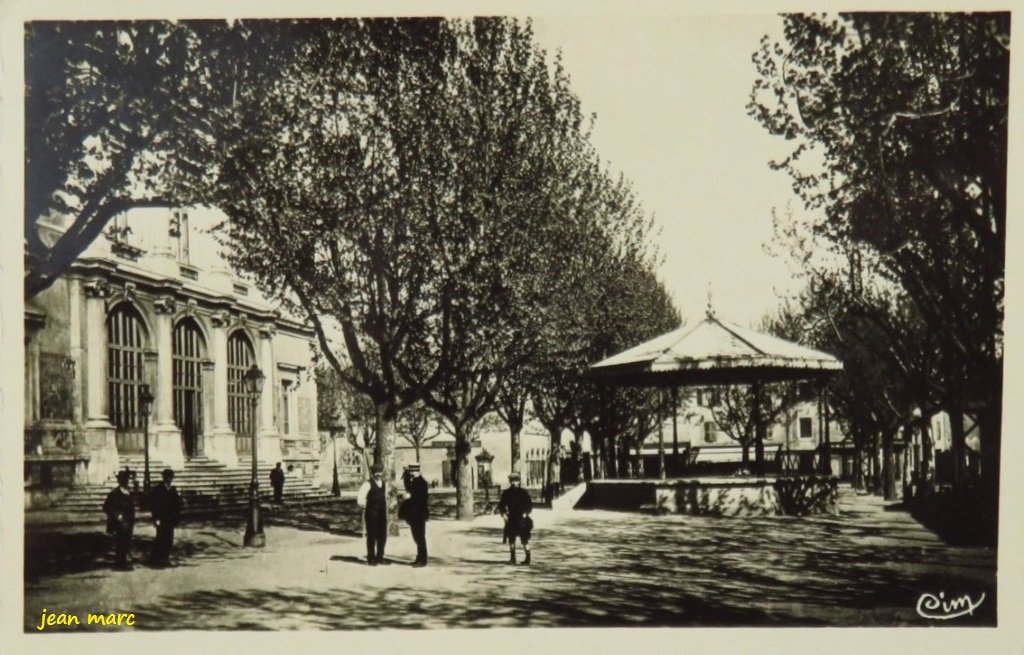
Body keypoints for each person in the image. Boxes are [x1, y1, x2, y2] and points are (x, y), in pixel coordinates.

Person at [148, 468, 183, 567]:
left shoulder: (173, 489)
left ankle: (165, 558)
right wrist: (156, 518)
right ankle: (157, 558)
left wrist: (177, 518)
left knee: (169, 539)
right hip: (161, 518)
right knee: (160, 538)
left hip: (170, 519)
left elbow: (176, 505)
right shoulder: (158, 489)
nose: (169, 479)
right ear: (164, 477)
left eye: (171, 477)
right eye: (167, 477)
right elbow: (154, 505)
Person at [497, 471, 533, 565]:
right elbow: (501, 505)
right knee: (511, 538)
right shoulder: (506, 493)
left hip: (522, 519)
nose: (514, 483)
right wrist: (503, 514)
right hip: (511, 518)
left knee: (524, 539)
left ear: (519, 481)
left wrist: (525, 513)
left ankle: (528, 558)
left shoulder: (524, 493)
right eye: (512, 481)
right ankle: (513, 558)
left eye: (516, 481)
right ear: (510, 481)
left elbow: (529, 506)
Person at [102, 470, 136, 571]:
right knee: (120, 542)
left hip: (129, 522)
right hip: (119, 522)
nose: (125, 481)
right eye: (123, 479)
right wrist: (117, 515)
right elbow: (106, 507)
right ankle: (120, 563)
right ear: (119, 480)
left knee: (127, 542)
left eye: (126, 479)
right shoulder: (115, 493)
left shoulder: (128, 492)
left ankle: (124, 562)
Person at [357, 463, 388, 565]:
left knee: (382, 535)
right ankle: (371, 558)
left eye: (380, 472)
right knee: (372, 535)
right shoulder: (367, 484)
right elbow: (360, 498)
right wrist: (366, 505)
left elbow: (385, 497)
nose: (378, 474)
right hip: (372, 513)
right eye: (376, 472)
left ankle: (380, 556)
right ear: (372, 473)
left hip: (382, 513)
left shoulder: (384, 483)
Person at [401, 463, 430, 567]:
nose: (412, 473)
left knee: (419, 537)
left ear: (418, 471)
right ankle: (419, 558)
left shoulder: (422, 483)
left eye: (413, 471)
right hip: (415, 514)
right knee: (417, 536)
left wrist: (409, 498)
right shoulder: (415, 481)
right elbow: (409, 488)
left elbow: (420, 499)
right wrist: (406, 477)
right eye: (411, 471)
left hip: (419, 514)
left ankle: (423, 560)